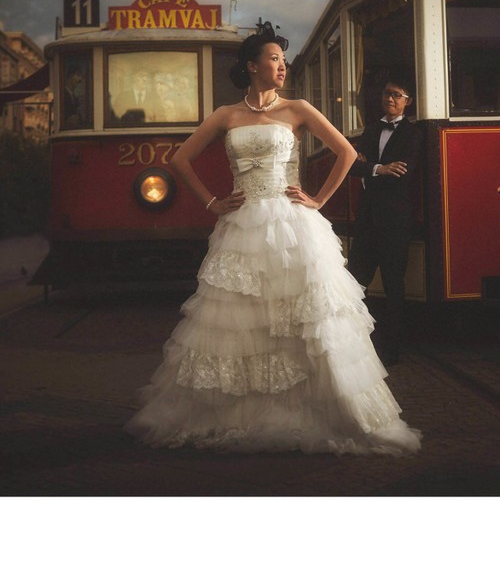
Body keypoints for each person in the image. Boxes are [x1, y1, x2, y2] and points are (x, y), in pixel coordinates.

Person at [125, 27, 421, 455]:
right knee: (245, 323)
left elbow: (348, 154)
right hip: (242, 227)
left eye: (284, 59)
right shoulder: (227, 115)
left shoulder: (298, 108)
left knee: (305, 319)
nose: (282, 65)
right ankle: (243, 415)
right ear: (251, 66)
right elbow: (179, 159)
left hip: (293, 226)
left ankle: (317, 413)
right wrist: (212, 202)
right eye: (274, 58)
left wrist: (318, 199)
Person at [347, 79, 421, 366]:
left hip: (394, 222)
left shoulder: (413, 134)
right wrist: (379, 169)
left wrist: (369, 170)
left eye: (396, 95)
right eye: (386, 93)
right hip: (367, 220)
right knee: (353, 282)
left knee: (393, 285)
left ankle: (393, 351)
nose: (389, 99)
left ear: (407, 101)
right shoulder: (372, 129)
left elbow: (404, 171)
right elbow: (353, 165)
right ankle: (353, 343)